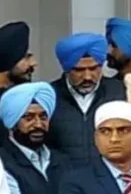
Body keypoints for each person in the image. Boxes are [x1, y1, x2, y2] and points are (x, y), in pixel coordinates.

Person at [47, 32, 126, 166]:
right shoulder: (50, 95)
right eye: (79, 70)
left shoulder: (118, 91)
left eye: (94, 68)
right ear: (66, 69)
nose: (87, 77)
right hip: (63, 179)